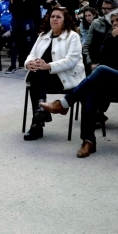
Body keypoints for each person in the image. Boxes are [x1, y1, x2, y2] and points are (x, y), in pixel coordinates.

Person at [63, 9, 118, 157]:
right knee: (91, 90)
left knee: (102, 70)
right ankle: (88, 140)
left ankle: (66, 102)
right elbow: (102, 56)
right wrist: (113, 41)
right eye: (113, 21)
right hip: (112, 84)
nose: (115, 23)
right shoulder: (111, 38)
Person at [23, 7, 86, 141]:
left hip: (65, 78)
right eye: (52, 16)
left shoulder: (72, 36)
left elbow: (71, 61)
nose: (55, 19)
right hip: (43, 78)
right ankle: (41, 112)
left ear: (65, 20)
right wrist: (29, 64)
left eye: (58, 17)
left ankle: (37, 124)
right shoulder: (43, 35)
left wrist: (48, 66)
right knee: (36, 73)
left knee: (38, 74)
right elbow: (32, 54)